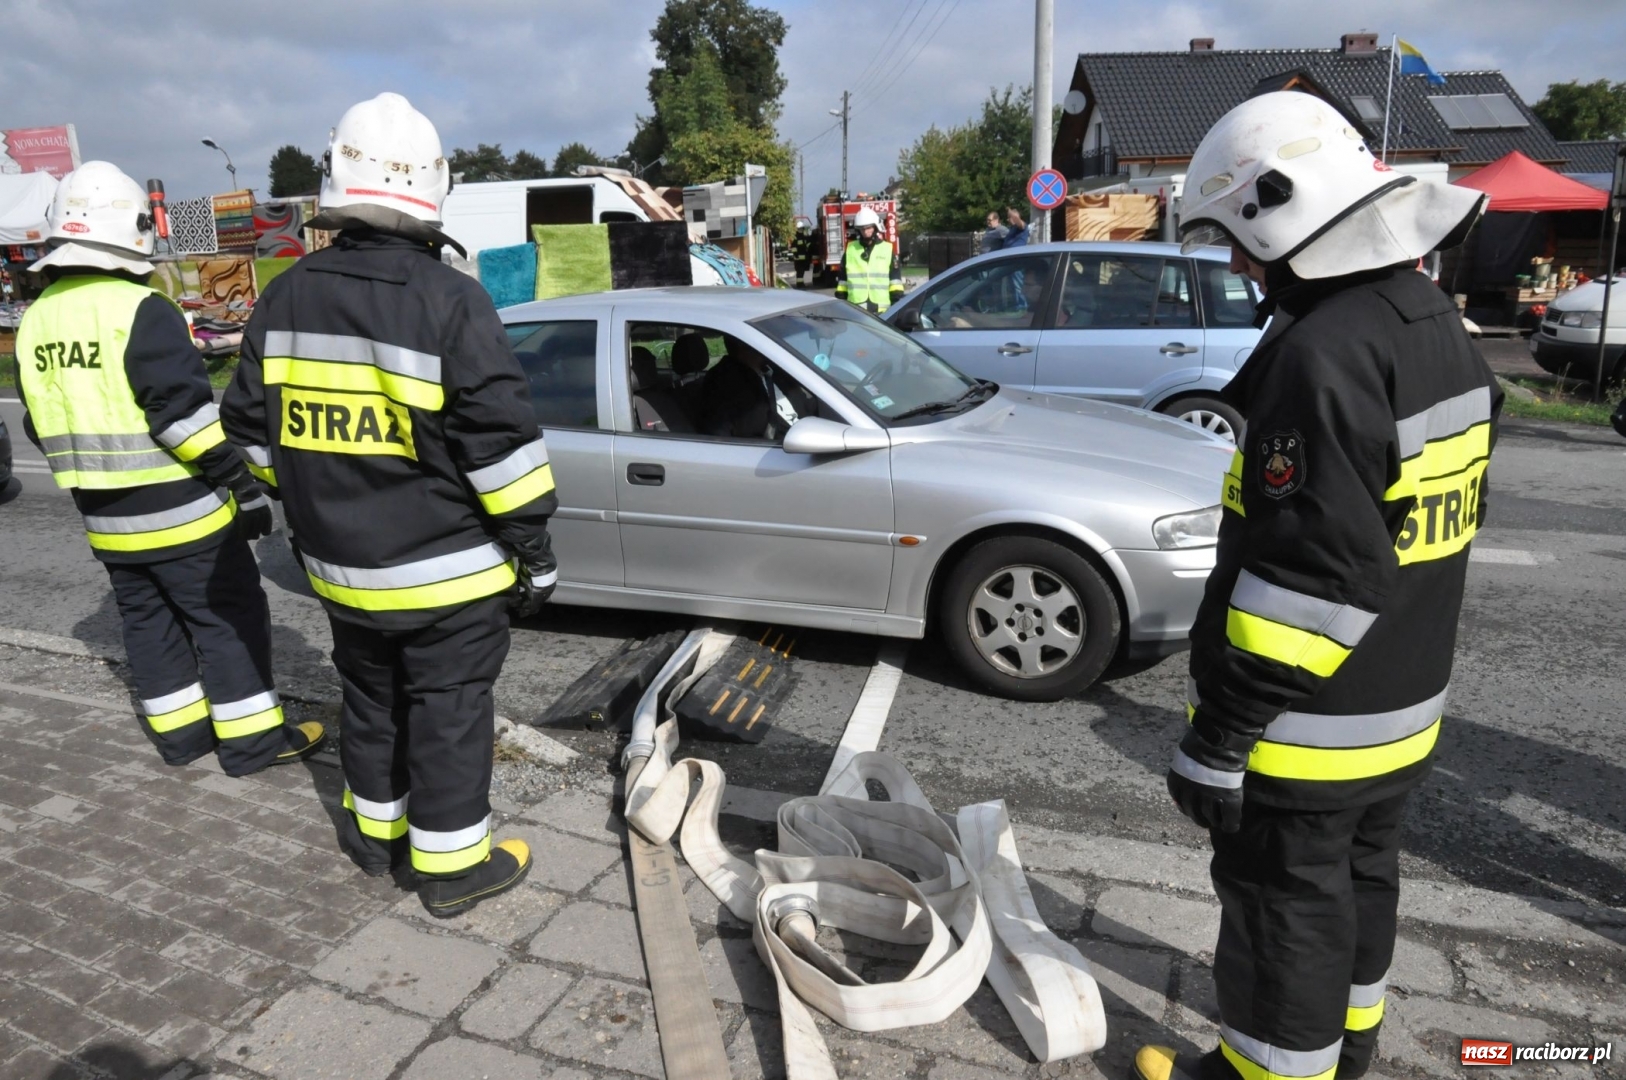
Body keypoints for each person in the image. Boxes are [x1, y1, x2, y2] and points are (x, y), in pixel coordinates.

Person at [1136, 91, 1500, 1080]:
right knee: (1360, 882)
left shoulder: (1322, 352)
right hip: (1404, 706)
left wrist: (1222, 735)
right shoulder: (1429, 322)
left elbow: (1313, 569)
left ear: (1279, 212)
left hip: (1311, 728)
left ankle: (1267, 1070)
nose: (1235, 265)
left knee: (1281, 907)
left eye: (1238, 241)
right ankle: (1348, 1052)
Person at [221, 93, 557, 918]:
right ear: (432, 189)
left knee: (369, 699)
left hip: (340, 574)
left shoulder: (285, 297)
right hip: (448, 578)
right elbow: (502, 452)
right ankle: (449, 870)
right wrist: (536, 555)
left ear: (339, 183)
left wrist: (305, 498)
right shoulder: (450, 301)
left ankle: (374, 836)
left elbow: (248, 433)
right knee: (447, 711)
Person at [13, 161, 324, 776]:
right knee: (226, 618)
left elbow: (36, 420)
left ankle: (181, 740)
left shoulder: (37, 319)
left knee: (147, 622)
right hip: (183, 513)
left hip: (103, 517)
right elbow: (181, 418)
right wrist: (244, 488)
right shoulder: (141, 308)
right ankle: (253, 744)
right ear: (134, 232)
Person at [834, 207, 904, 314]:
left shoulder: (887, 249)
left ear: (875, 227)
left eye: (868, 228)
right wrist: (841, 306)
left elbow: (895, 282)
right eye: (862, 229)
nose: (865, 232)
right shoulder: (850, 250)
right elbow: (842, 282)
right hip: (856, 311)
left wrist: (896, 306)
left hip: (882, 311)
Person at [790, 218, 815, 286]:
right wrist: (796, 255)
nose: (802, 229)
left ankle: (800, 283)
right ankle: (800, 284)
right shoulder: (796, 237)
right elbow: (794, 248)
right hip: (799, 259)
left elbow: (807, 245)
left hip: (802, 258)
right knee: (800, 271)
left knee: (801, 271)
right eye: (801, 228)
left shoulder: (803, 237)